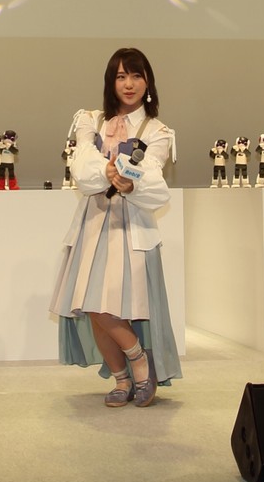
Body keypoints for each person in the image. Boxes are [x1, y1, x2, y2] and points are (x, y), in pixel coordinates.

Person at [49, 47, 181, 407]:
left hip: (130, 226)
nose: (129, 84)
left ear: (148, 82)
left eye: (136, 76)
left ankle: (138, 364)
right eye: (121, 76)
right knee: (92, 305)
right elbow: (81, 168)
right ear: (111, 82)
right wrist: (105, 171)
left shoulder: (157, 131)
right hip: (93, 223)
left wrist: (131, 184)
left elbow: (154, 180)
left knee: (111, 305)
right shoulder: (90, 120)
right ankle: (125, 374)